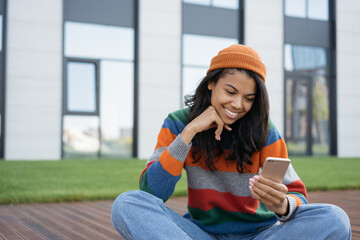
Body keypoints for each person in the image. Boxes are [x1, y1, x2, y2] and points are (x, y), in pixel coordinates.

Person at [111, 44, 351, 239]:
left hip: (261, 235)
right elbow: (152, 192)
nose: (238, 105)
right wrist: (189, 132)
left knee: (335, 219)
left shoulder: (265, 130)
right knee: (127, 203)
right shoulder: (178, 123)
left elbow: (298, 196)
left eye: (249, 98)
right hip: (199, 234)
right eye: (231, 92)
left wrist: (282, 205)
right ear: (211, 83)